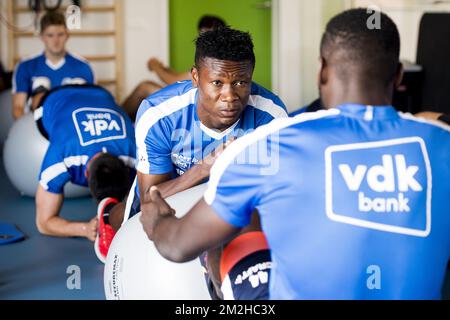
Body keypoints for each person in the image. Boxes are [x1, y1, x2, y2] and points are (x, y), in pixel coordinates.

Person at [141, 9, 450, 300]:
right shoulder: (442, 144)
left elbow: (178, 245)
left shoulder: (271, 143)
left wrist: (159, 220)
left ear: (322, 71)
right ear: (398, 76)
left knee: (240, 225)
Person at [97, 27, 287, 299]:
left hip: (229, 198)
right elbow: (152, 196)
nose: (230, 96)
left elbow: (274, 196)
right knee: (126, 228)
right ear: (196, 77)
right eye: (217, 83)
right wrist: (205, 167)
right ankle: (107, 214)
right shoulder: (159, 114)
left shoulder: (271, 116)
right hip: (171, 191)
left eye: (241, 83)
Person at [33, 85, 135, 245]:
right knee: (35, 101)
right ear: (86, 175)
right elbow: (43, 223)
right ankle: (39, 92)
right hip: (55, 98)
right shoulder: (62, 157)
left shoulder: (136, 151)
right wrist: (84, 229)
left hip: (99, 92)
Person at [120, 15, 227, 121]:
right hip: (198, 100)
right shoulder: (219, 54)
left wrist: (155, 66)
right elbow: (185, 78)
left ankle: (117, 118)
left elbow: (174, 81)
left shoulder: (213, 56)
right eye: (202, 35)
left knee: (144, 87)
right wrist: (163, 68)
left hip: (195, 105)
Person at [12, 11, 95, 120]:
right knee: (40, 89)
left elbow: (93, 105)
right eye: (50, 35)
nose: (56, 41)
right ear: (42, 37)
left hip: (71, 126)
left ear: (67, 35)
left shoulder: (83, 66)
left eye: (60, 35)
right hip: (35, 126)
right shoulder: (25, 66)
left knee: (77, 86)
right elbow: (18, 108)